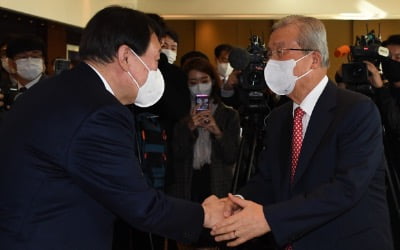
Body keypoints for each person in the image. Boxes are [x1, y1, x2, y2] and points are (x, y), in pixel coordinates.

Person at [0, 6, 225, 250]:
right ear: (126, 57)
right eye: (156, 58)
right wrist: (205, 215)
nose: (156, 69)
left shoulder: (58, 89)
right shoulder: (99, 112)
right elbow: (140, 205)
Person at [210, 15, 394, 250]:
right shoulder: (279, 117)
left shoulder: (356, 110)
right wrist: (238, 202)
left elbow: (346, 188)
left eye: (280, 52)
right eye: (270, 54)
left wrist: (269, 218)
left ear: (313, 59)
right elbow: (268, 179)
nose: (271, 62)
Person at [168, 57, 240, 249]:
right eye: (193, 83)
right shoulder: (180, 115)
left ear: (213, 81)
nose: (199, 88)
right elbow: (177, 154)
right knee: (188, 237)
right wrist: (190, 127)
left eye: (204, 81)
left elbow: (232, 155)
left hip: (217, 183)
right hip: (188, 185)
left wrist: (216, 131)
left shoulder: (228, 114)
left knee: (215, 237)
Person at [214, 44, 241, 110]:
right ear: (216, 59)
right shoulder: (209, 78)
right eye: (225, 60)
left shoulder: (239, 79)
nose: (228, 64)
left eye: (231, 61)